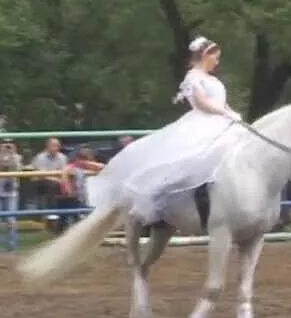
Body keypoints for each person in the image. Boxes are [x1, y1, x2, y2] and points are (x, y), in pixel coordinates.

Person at [85, 36, 243, 225]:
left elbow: (222, 101)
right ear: (205, 55)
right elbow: (202, 103)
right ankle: (192, 203)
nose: (217, 62)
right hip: (203, 123)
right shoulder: (192, 77)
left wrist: (235, 115)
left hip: (223, 121)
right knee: (197, 159)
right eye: (215, 57)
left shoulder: (213, 79)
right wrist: (225, 113)